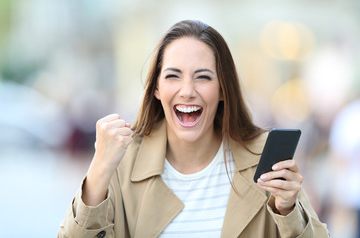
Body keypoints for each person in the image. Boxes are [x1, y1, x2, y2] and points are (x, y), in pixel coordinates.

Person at [58, 20, 330, 238]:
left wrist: (288, 210)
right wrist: (98, 172)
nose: (187, 91)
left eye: (203, 77)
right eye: (173, 76)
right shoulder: (123, 162)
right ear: (156, 88)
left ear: (223, 89)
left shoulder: (264, 159)